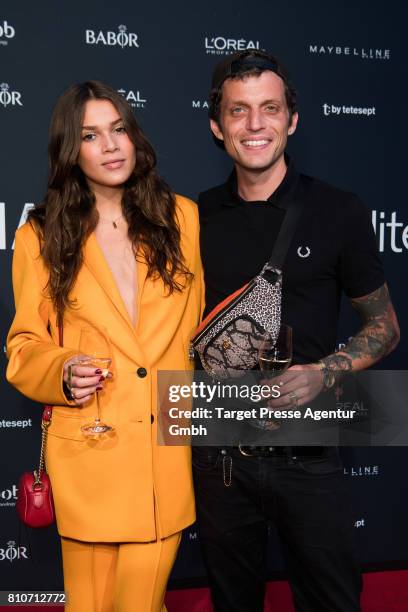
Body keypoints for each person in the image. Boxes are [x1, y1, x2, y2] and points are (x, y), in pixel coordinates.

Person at [192, 50, 400, 612]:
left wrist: (326, 371)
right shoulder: (190, 219)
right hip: (222, 461)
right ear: (217, 125)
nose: (255, 125)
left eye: (270, 108)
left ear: (292, 119)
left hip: (308, 454)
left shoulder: (340, 211)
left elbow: (383, 325)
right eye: (239, 111)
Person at [6, 80, 203, 612]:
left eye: (118, 129)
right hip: (91, 453)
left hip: (164, 451)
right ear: (71, 151)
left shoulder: (182, 219)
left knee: (139, 604)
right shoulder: (41, 235)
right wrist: (64, 369)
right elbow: (24, 346)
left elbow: (200, 330)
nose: (111, 145)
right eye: (91, 135)